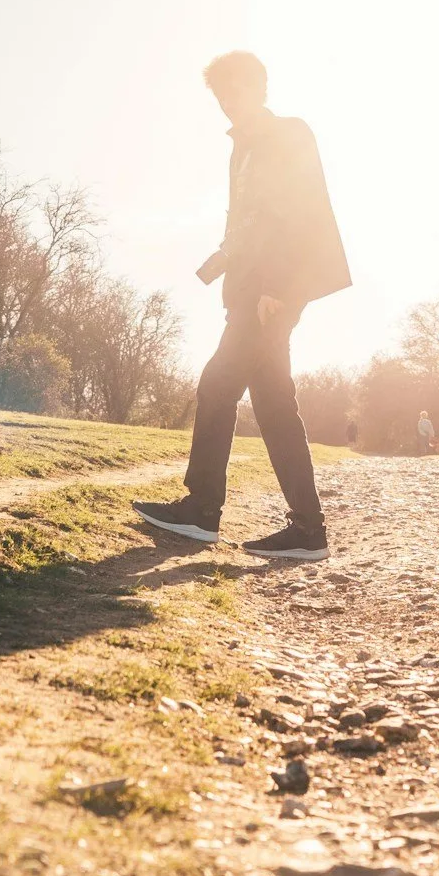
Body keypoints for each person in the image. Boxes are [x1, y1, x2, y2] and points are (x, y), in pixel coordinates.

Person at [134, 51, 350, 563]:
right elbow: (253, 222)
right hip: (252, 290)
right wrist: (226, 257)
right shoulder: (241, 150)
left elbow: (300, 210)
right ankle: (308, 530)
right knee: (275, 407)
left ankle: (203, 510)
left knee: (216, 385)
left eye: (237, 91)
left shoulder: (290, 134)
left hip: (272, 293)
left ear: (261, 86)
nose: (229, 104)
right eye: (221, 96)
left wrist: (278, 284)